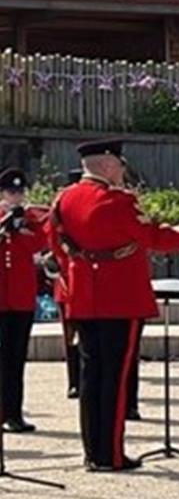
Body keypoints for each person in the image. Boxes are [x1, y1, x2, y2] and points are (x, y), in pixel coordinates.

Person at [49, 139, 179, 472]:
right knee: (115, 376)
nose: (123, 170)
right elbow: (155, 238)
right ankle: (111, 455)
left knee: (90, 375)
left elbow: (56, 246)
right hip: (120, 296)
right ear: (108, 164)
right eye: (120, 164)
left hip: (83, 295)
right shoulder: (118, 200)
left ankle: (93, 452)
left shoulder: (63, 199)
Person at [0, 168, 48, 433]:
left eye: (19, 192)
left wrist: (20, 230)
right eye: (11, 192)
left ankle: (13, 413)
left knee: (16, 359)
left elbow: (38, 243)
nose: (16, 197)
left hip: (20, 299)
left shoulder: (30, 218)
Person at [44, 169, 83, 399]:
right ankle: (74, 381)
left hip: (88, 283)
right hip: (68, 282)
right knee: (70, 337)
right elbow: (52, 240)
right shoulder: (59, 211)